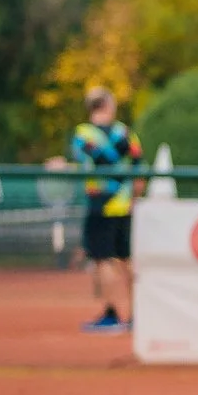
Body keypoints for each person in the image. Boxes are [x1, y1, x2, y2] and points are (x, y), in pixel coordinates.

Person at [70, 87, 143, 333]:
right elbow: (138, 165)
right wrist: (134, 196)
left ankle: (112, 314)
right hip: (125, 204)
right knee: (126, 259)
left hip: (100, 204)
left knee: (103, 260)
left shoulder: (84, 134)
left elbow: (96, 160)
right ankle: (137, 315)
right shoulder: (125, 132)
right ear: (108, 105)